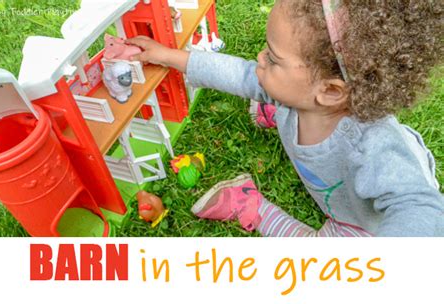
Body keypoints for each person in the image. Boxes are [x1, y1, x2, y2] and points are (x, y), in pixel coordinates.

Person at [126, 0, 444, 236]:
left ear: (331, 92)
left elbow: (419, 206)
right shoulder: (306, 92)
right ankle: (277, 112)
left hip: (362, 225)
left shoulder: (375, 145)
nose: (259, 59)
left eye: (273, 58)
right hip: (306, 115)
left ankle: (251, 205)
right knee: (268, 87)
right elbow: (239, 74)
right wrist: (166, 55)